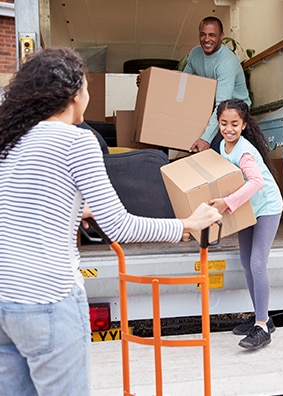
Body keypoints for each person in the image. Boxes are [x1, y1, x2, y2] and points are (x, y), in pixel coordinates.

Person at [0, 48, 222, 395]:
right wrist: (187, 224)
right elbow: (119, 225)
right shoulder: (77, 140)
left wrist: (76, 211)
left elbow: (25, 207)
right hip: (48, 299)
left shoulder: (10, 139)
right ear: (75, 94)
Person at [209, 99, 283, 350]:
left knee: (257, 262)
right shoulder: (222, 145)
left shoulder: (245, 151)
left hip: (267, 208)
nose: (228, 128)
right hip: (247, 207)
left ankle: (262, 326)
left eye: (234, 124)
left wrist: (226, 203)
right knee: (245, 261)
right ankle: (262, 317)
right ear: (218, 123)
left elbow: (256, 182)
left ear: (243, 125)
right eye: (223, 123)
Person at [185, 16, 251, 153]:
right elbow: (183, 82)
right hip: (212, 110)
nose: (206, 39)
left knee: (214, 150)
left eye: (212, 35)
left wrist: (206, 139)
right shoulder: (195, 54)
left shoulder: (226, 63)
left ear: (221, 36)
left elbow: (223, 106)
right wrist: (151, 80)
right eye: (203, 34)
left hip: (234, 114)